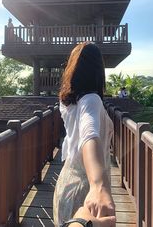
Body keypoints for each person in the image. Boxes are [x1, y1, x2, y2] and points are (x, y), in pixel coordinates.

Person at [53, 42, 115, 226]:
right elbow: (90, 136)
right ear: (98, 70)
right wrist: (98, 185)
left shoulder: (68, 102)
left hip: (66, 181)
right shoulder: (91, 100)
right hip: (86, 191)